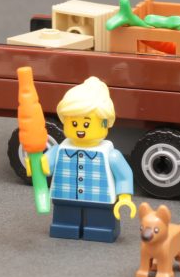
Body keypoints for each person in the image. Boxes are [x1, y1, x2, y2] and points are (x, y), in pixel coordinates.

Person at [29, 76, 136, 242]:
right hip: (65, 197)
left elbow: (124, 175)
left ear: (104, 123)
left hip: (100, 199)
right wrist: (35, 165)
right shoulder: (59, 150)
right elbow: (44, 167)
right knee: (65, 220)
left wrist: (124, 197)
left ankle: (101, 230)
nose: (80, 130)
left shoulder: (110, 154)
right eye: (74, 123)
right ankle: (65, 227)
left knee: (100, 223)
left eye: (86, 124)